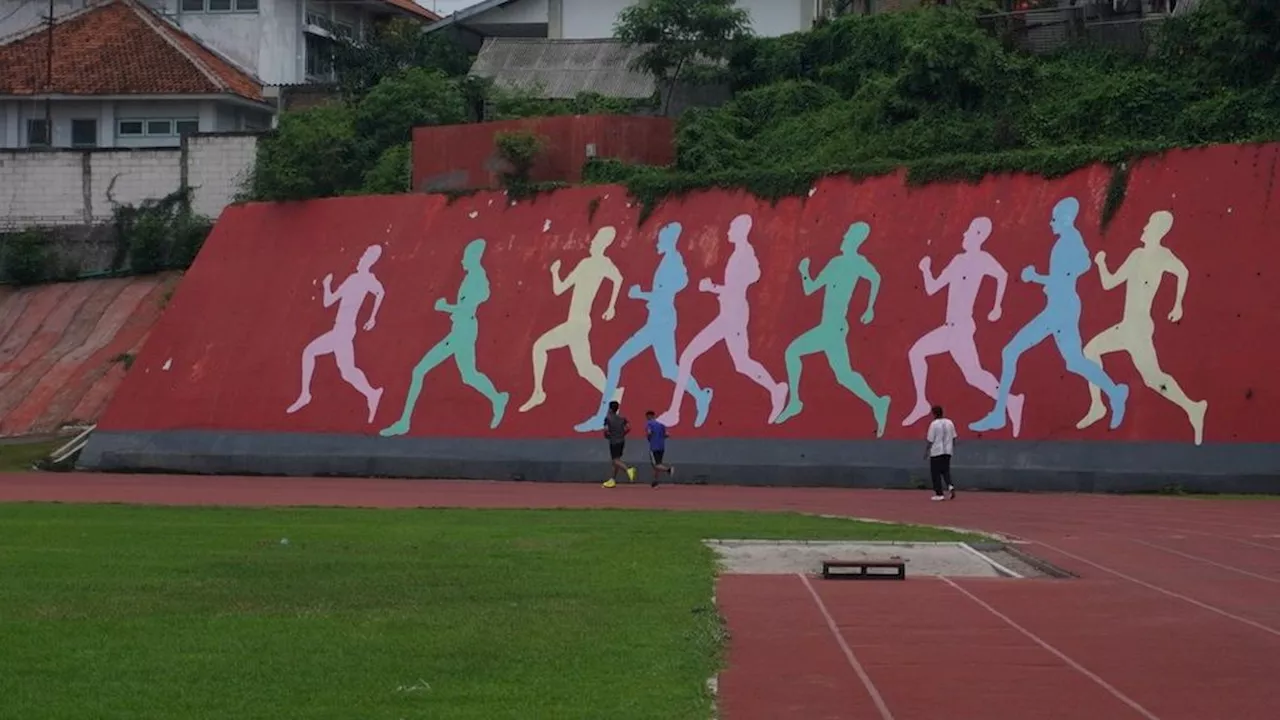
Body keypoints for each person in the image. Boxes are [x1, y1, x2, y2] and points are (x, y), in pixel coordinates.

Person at [602, 401, 637, 488]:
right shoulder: (622, 418)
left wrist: (607, 435)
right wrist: (623, 434)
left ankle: (628, 470)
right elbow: (629, 427)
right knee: (617, 460)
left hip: (614, 441)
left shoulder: (608, 418)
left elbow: (606, 430)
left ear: (610, 409)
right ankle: (612, 480)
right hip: (621, 441)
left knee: (615, 460)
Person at [926, 405, 957, 501]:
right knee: (945, 471)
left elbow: (930, 440)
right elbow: (954, 437)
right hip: (947, 451)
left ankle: (939, 494)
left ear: (934, 413)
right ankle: (950, 485)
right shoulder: (950, 422)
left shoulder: (934, 424)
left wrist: (926, 451)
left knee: (935, 473)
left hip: (936, 451)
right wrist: (952, 447)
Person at [644, 410, 675, 487]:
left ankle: (668, 470)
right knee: (658, 465)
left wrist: (649, 438)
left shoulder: (649, 423)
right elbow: (667, 434)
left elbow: (649, 432)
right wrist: (660, 437)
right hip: (661, 447)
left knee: (655, 465)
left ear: (648, 416)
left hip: (654, 447)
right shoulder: (661, 424)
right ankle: (655, 482)